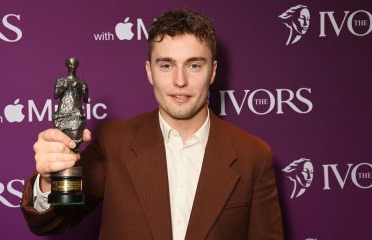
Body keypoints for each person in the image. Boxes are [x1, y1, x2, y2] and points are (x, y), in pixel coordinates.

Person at [21, 9, 284, 240]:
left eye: (194, 65)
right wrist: (48, 180)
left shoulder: (253, 156)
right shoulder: (115, 141)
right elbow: (56, 221)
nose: (180, 81)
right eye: (166, 65)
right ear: (149, 71)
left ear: (212, 71)